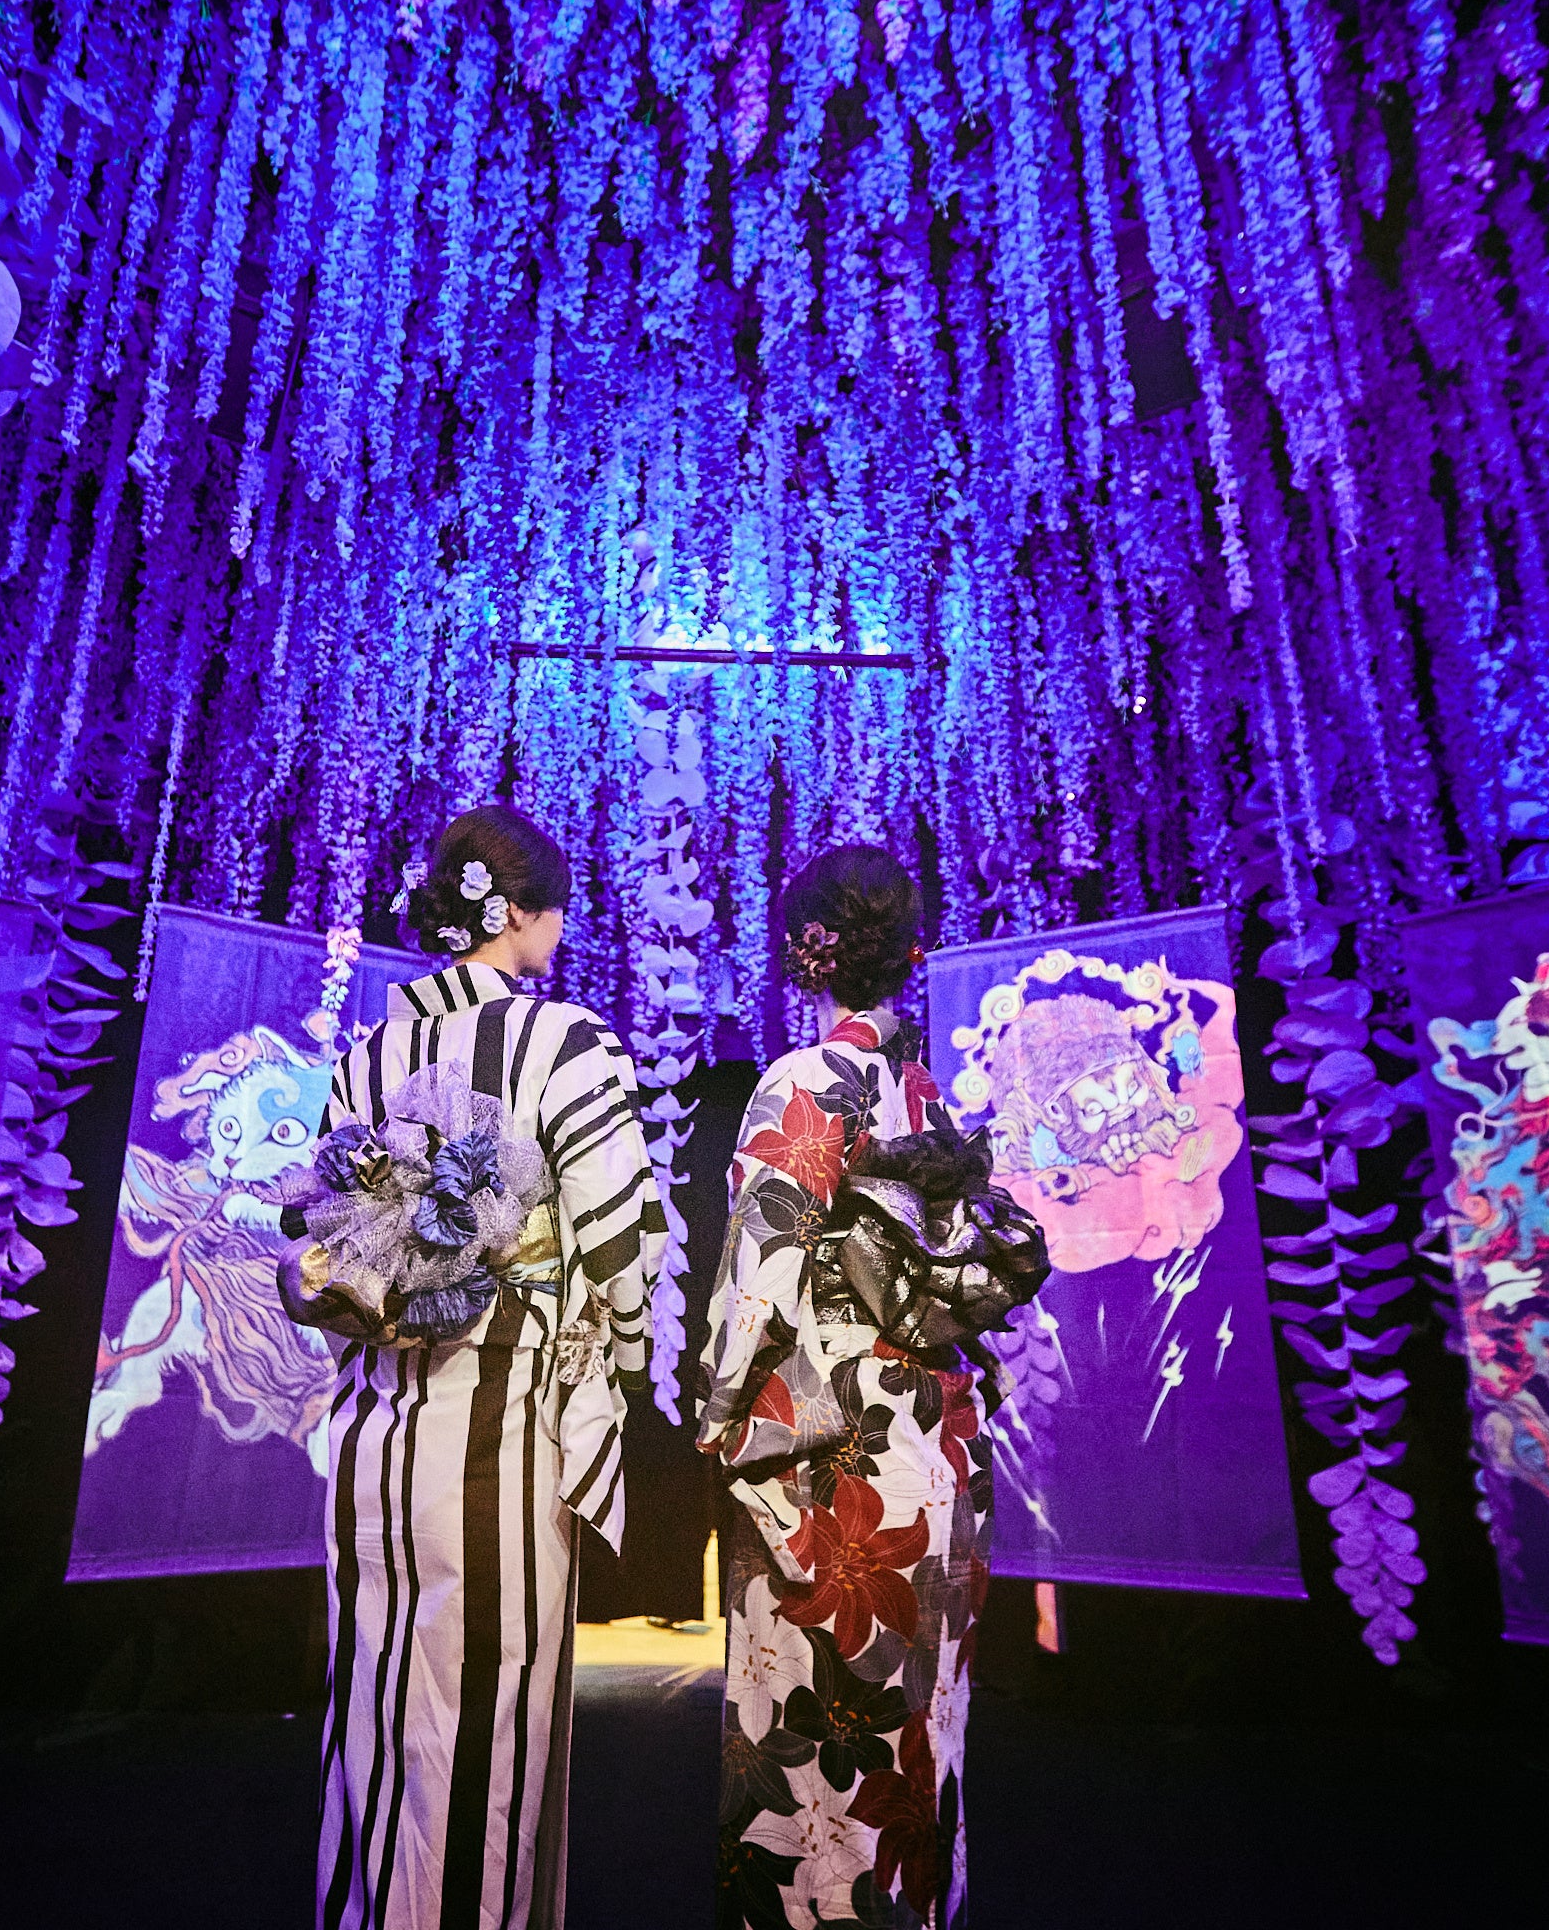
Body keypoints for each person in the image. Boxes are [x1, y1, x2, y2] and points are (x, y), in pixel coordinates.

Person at [298, 805, 666, 1930]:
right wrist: (627, 1357)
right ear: (515, 913)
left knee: (374, 1705)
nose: (560, 927)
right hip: (500, 1421)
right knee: (490, 1712)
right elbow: (620, 1237)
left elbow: (324, 1233)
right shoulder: (563, 1040)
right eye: (554, 907)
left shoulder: (365, 1056)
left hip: (372, 1428)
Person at [697, 846, 1024, 1930]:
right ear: (908, 953)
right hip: (937, 1443)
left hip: (831, 1452)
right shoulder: (931, 1099)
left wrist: (720, 1412)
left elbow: (761, 1282)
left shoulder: (802, 1083)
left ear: (807, 952)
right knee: (922, 1735)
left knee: (815, 1742)